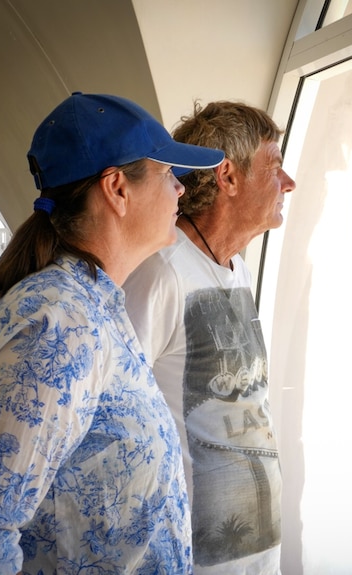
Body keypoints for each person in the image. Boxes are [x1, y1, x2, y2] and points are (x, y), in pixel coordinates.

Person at [0, 92, 224, 574]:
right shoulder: (59, 325)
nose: (181, 191)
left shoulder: (96, 304)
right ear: (117, 188)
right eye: (167, 174)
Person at [123, 101, 296, 574]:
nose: (289, 183)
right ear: (228, 177)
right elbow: (113, 417)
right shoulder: (162, 272)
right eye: (275, 169)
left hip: (257, 551)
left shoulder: (235, 267)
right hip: (193, 559)